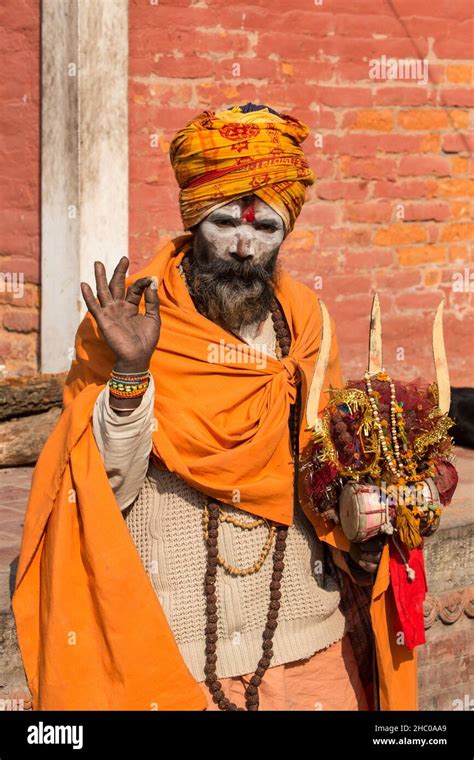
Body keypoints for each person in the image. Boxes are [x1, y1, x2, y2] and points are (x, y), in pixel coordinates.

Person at [13, 104, 417, 711]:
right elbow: (100, 491)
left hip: (309, 645)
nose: (243, 246)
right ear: (194, 221)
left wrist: (378, 512)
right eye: (224, 223)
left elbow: (328, 476)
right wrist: (130, 372)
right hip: (172, 653)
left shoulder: (306, 324)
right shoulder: (129, 322)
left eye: (265, 230)